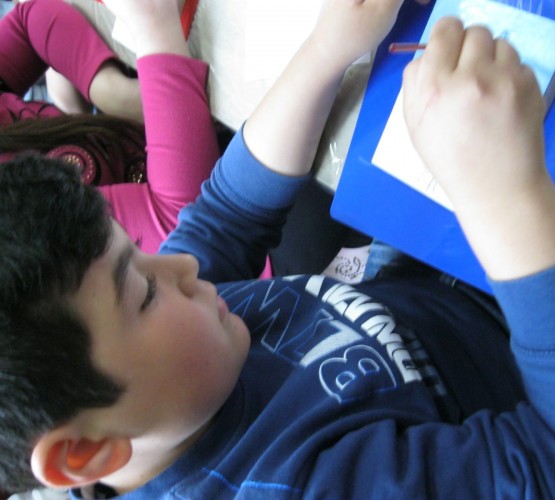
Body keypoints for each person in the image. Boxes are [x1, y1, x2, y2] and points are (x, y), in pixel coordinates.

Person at [1, 0, 555, 498]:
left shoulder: (160, 371)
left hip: (428, 291)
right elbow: (540, 462)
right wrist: (508, 197)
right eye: (144, 292)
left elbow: (223, 217)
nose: (182, 264)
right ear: (84, 453)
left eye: (141, 254)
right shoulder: (301, 484)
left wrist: (328, 47)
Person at [0, 0, 219, 254]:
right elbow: (182, 223)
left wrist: (111, 93)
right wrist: (153, 22)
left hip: (187, 124)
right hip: (235, 221)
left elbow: (28, 20)